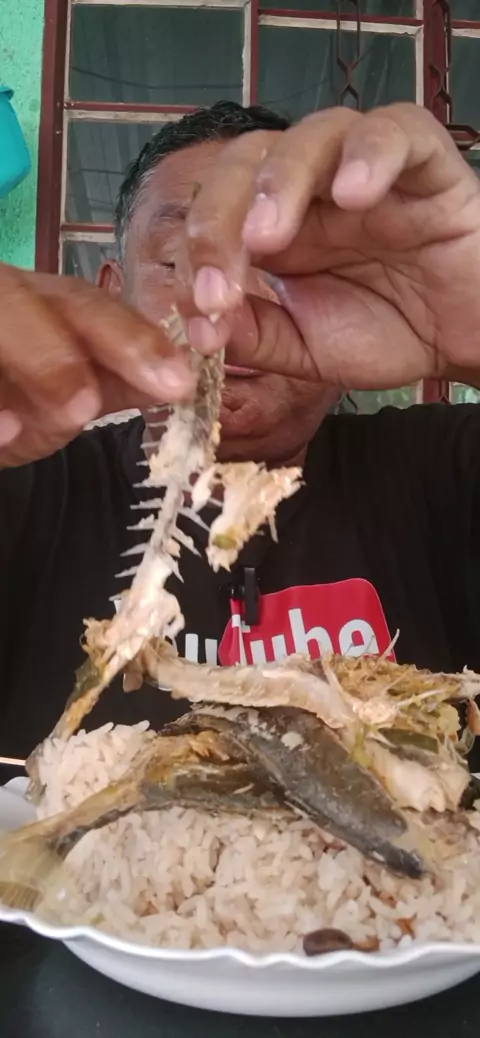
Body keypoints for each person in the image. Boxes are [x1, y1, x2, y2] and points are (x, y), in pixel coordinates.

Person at [2, 99, 480, 762]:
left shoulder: (445, 476)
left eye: (285, 267)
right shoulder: (30, 491)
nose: (228, 302)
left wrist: (470, 333)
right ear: (113, 292)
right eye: (179, 261)